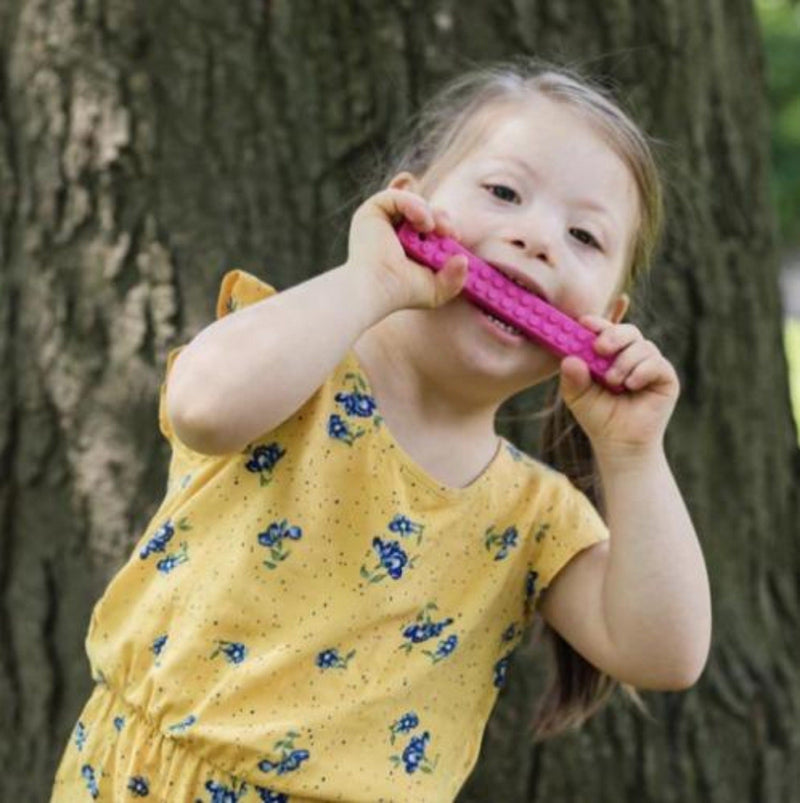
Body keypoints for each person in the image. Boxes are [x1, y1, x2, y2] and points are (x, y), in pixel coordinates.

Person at [51, 59, 712, 803]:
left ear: (607, 322)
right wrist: (372, 280)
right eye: (502, 193)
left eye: (584, 236)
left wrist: (633, 453)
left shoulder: (535, 518)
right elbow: (201, 408)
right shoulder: (298, 365)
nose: (536, 238)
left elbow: (666, 652)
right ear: (408, 208)